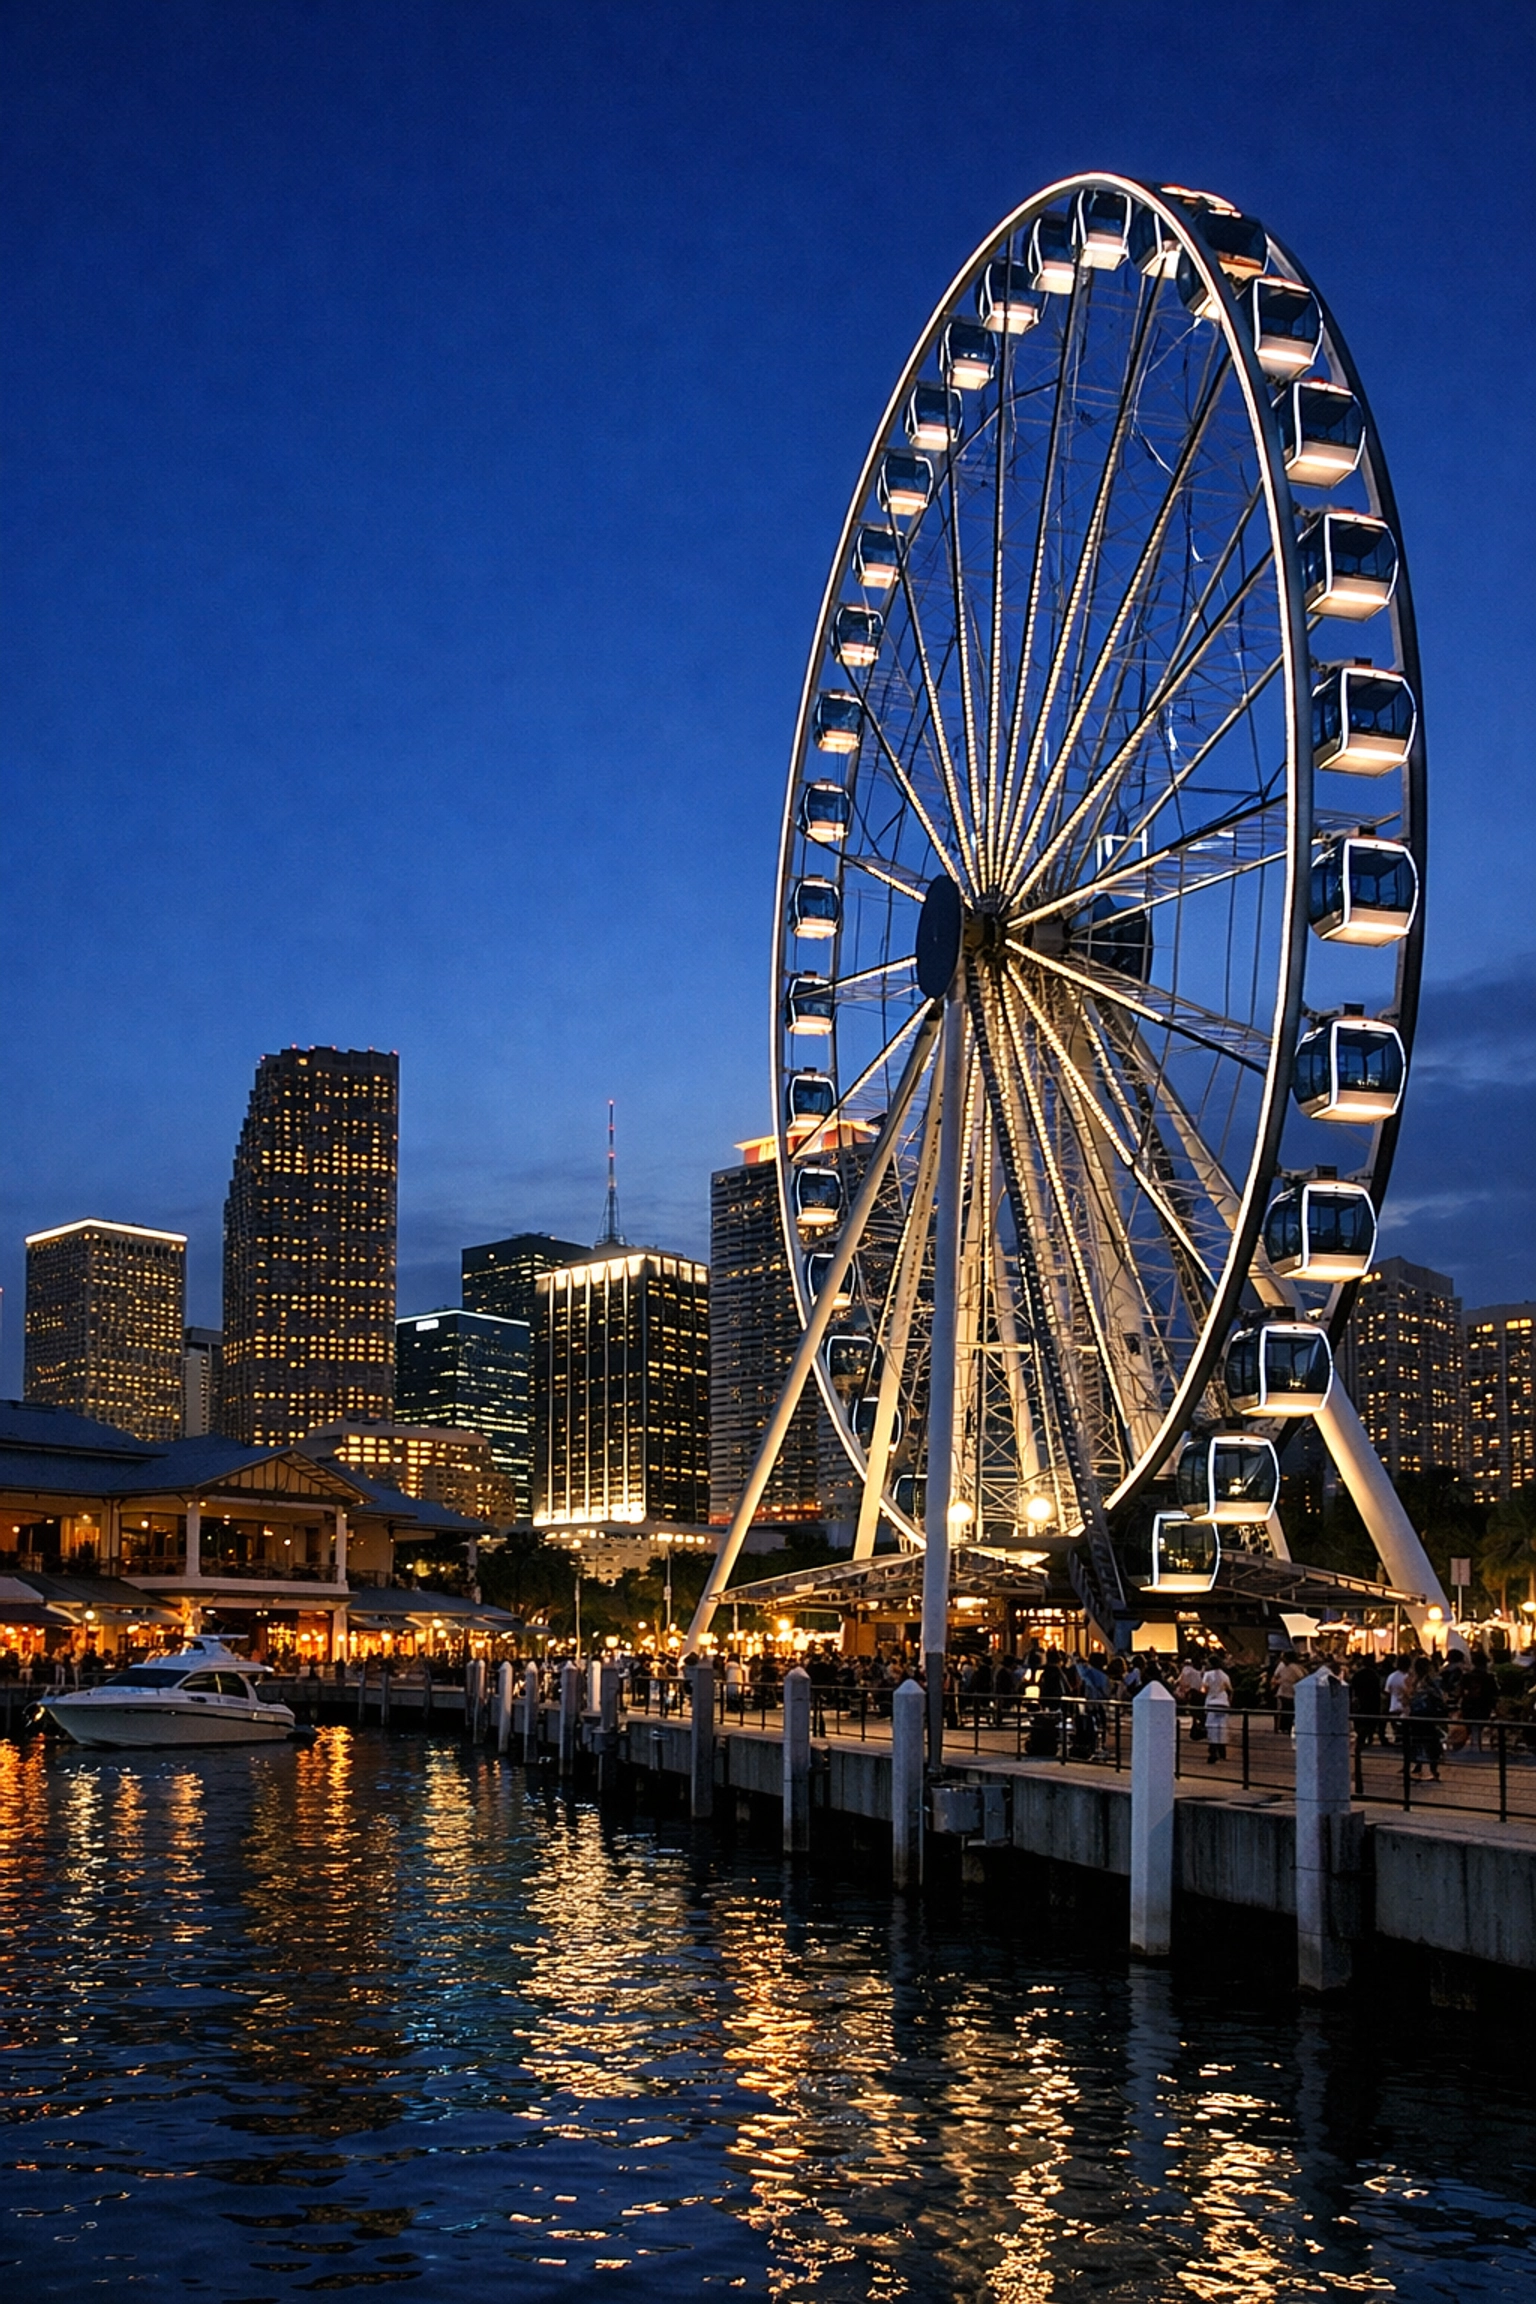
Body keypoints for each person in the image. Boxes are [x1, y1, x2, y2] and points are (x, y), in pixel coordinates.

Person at [1201, 1655, 1233, 1763]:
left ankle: (1213, 1753)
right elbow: (1230, 1689)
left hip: (1211, 1702)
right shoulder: (1225, 1675)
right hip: (1223, 1702)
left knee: (1212, 1729)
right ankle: (1222, 1753)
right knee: (1222, 1729)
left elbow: (1204, 1689)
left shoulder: (1208, 1675)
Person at [1350, 1654, 1384, 1748]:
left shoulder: (1358, 1675)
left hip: (1360, 1703)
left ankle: (1361, 1739)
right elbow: (1378, 1691)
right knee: (1370, 1722)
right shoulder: (1375, 1675)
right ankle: (1368, 1737)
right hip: (1372, 1703)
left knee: (1361, 1723)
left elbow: (1352, 1689)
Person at [1271, 1649, 1306, 1734]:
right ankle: (1284, 1727)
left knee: (1287, 1711)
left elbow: (1300, 1678)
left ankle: (1286, 1727)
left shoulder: (1293, 1667)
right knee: (1285, 1711)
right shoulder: (1285, 1667)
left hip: (1290, 1693)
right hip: (1285, 1692)